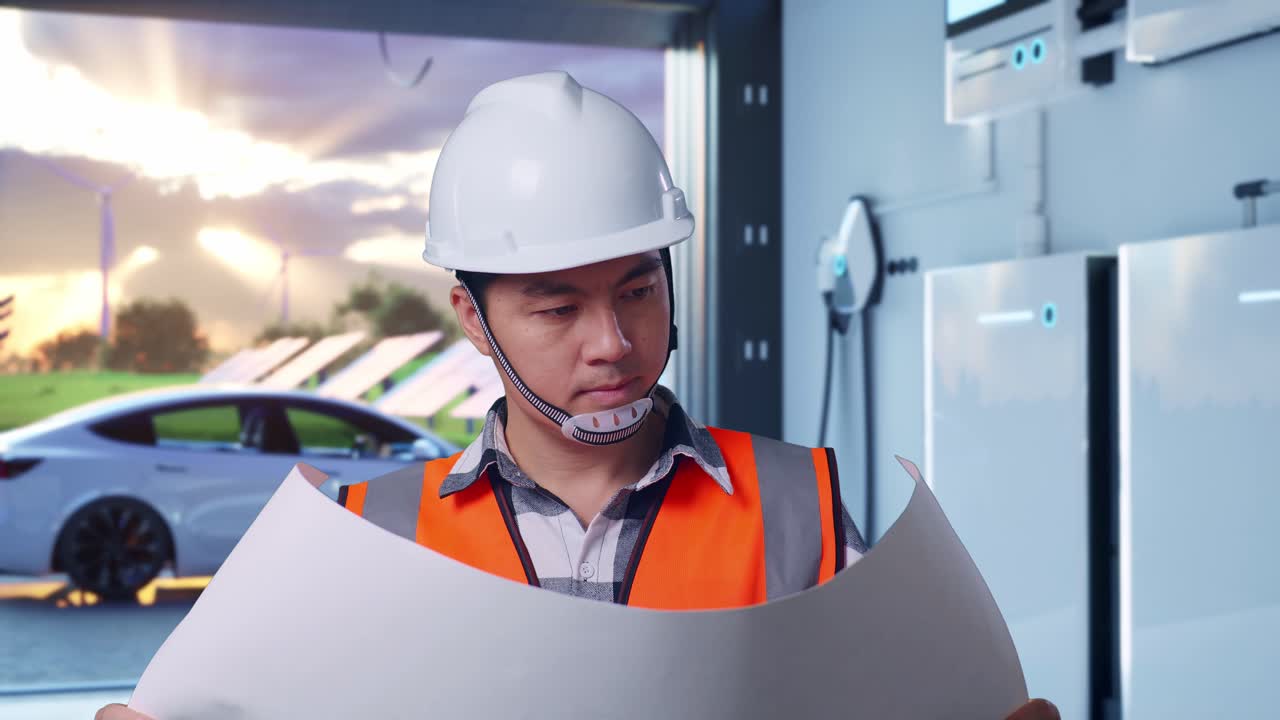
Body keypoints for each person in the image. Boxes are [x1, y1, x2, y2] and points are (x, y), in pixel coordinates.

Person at [98, 72, 1058, 720]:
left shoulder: (799, 506)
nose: (614, 343)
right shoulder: (371, 536)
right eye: (558, 308)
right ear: (474, 319)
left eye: (639, 289)